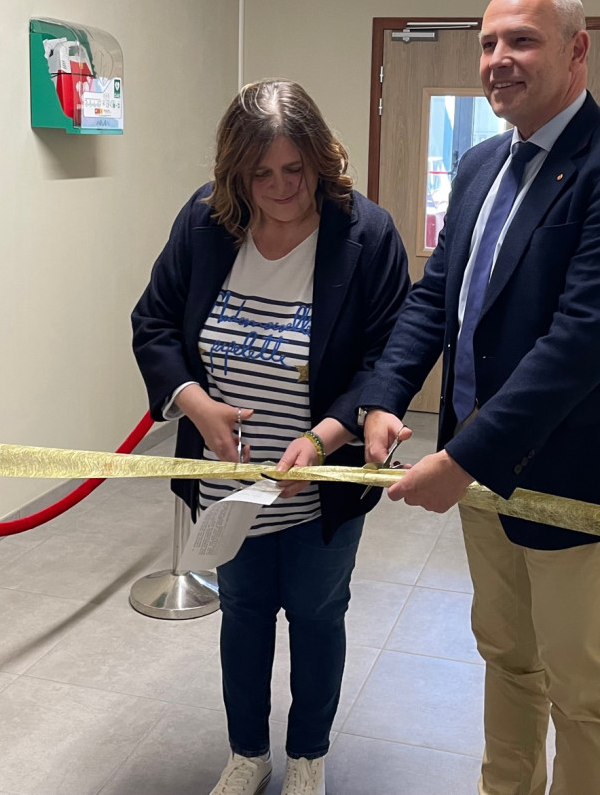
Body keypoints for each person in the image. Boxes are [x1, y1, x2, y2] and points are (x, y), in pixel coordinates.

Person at [359, 0, 600, 795]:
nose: (499, 60)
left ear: (577, 50)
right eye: (489, 43)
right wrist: (385, 396)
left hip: (571, 475)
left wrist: (464, 457)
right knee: (506, 655)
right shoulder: (476, 165)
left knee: (579, 685)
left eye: (523, 41)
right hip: (481, 473)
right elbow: (437, 296)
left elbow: (580, 343)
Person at [132, 79, 409, 795]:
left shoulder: (365, 234)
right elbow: (154, 322)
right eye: (262, 173)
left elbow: (386, 354)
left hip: (320, 487)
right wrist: (193, 402)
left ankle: (308, 753)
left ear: (321, 159)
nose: (282, 188)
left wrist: (322, 439)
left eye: (296, 169)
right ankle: (248, 752)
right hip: (232, 490)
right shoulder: (205, 222)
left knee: (318, 614)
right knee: (246, 615)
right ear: (235, 173)